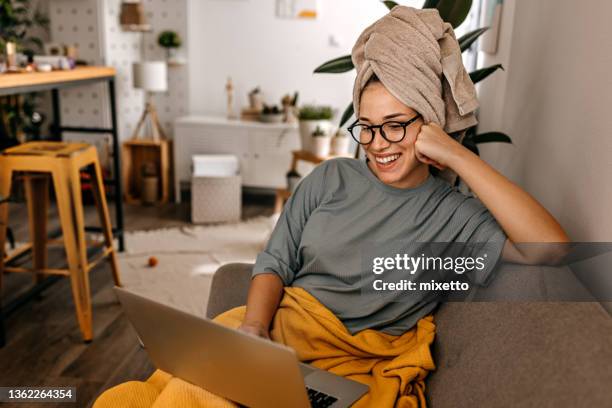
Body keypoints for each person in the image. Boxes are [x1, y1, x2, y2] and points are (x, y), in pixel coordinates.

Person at [238, 7, 569, 340]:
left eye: (395, 126)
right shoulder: (329, 178)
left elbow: (550, 248)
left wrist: (456, 154)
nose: (378, 144)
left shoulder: (452, 216)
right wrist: (254, 327)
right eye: (367, 127)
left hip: (353, 366)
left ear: (429, 123)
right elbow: (275, 260)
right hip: (280, 334)